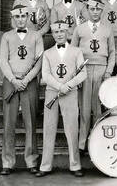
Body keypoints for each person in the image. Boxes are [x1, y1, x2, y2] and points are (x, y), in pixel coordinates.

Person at [36, 21, 87, 178]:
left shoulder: (77, 51)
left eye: (62, 32)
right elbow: (45, 75)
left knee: (71, 129)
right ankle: (45, 166)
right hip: (52, 92)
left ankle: (75, 164)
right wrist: (59, 86)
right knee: (49, 128)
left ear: (67, 33)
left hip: (70, 93)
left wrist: (69, 85)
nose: (59, 35)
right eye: (56, 32)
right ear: (53, 33)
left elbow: (83, 73)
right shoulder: (47, 53)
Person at [0, 4, 44, 175]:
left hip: (29, 82)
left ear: (27, 17)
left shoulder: (36, 36)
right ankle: (7, 162)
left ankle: (31, 160)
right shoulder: (6, 36)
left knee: (31, 123)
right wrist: (13, 79)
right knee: (8, 123)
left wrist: (26, 80)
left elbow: (39, 61)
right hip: (11, 82)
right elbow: (3, 60)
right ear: (13, 18)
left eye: (23, 17)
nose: (20, 20)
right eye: (17, 17)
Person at [71, 0, 115, 153]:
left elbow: (112, 52)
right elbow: (73, 53)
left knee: (98, 108)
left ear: (102, 11)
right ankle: (82, 142)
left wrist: (109, 71)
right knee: (84, 108)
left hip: (102, 69)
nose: (95, 12)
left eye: (98, 9)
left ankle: (97, 140)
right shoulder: (79, 29)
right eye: (92, 9)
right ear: (87, 10)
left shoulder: (107, 29)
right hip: (85, 70)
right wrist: (77, 75)